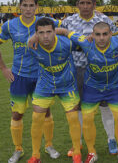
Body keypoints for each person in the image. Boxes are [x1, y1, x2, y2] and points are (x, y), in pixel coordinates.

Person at [55, 22, 118, 163]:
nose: (101, 38)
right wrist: (34, 36)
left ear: (111, 34)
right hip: (92, 87)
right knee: (87, 119)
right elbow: (63, 31)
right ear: (92, 35)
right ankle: (91, 152)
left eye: (105, 34)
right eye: (98, 34)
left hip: (114, 88)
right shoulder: (84, 42)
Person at [0, 0, 60, 163]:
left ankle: (48, 145)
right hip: (19, 77)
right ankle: (18, 149)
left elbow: (65, 26)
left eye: (31, 5)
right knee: (17, 114)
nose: (28, 9)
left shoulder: (45, 23)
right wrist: (4, 68)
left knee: (45, 112)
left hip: (42, 76)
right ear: (20, 7)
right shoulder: (9, 26)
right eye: (24, 5)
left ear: (36, 7)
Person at [61, 0, 118, 155]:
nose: (85, 6)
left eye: (89, 3)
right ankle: (77, 142)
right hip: (77, 69)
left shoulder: (104, 20)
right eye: (82, 3)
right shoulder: (68, 22)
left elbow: (114, 38)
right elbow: (62, 40)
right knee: (78, 107)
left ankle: (111, 139)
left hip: (100, 70)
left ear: (94, 4)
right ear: (77, 5)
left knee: (105, 106)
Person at [27, 18, 81, 163]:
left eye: (49, 32)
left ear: (54, 32)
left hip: (67, 84)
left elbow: (84, 44)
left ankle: (76, 153)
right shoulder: (32, 45)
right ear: (36, 34)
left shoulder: (67, 44)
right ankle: (35, 155)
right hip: (45, 85)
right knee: (36, 118)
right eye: (41, 33)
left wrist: (65, 31)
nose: (45, 36)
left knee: (73, 118)